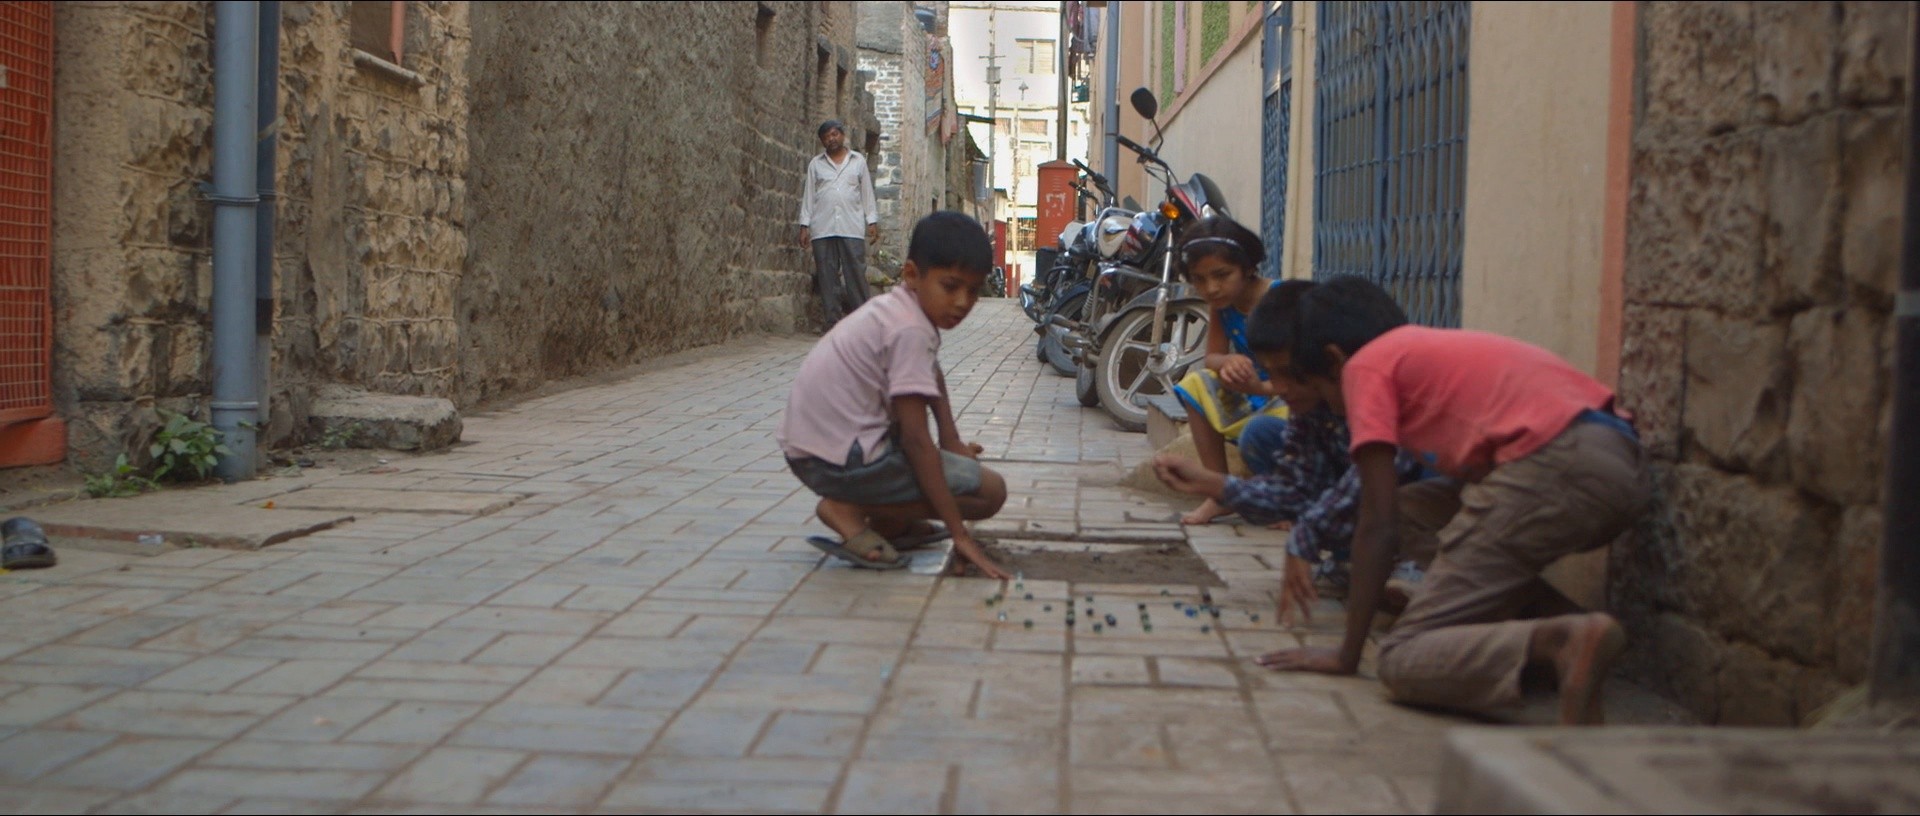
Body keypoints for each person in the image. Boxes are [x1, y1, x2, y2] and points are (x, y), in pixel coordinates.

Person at [1255, 276, 1649, 726]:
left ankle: (1561, 641)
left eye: (1320, 388)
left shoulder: (1365, 368)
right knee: (1415, 510)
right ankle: (1568, 628)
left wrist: (1347, 654)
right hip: (1619, 465)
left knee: (1402, 658)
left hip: (1553, 468)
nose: (1326, 402)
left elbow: (1375, 523)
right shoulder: (1420, 350)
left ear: (1333, 359)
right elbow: (1398, 515)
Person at [1153, 280, 1431, 624]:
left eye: (1287, 373)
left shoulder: (1388, 388)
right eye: (1270, 374)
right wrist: (1215, 485)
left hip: (1457, 483)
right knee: (1265, 436)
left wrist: (1304, 538)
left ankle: (1417, 564)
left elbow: (1364, 490)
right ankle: (1357, 559)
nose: (1278, 390)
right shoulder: (1314, 403)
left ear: (1326, 359)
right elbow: (1295, 489)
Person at [777, 211, 1012, 579]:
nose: (963, 302)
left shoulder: (899, 308)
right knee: (990, 492)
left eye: (974, 290)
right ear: (912, 274)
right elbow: (917, 442)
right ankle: (849, 510)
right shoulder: (909, 331)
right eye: (951, 287)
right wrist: (959, 534)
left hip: (815, 449)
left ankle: (890, 522)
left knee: (956, 470)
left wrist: (950, 438)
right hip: (835, 459)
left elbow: (929, 371)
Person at [1163, 216, 1291, 525]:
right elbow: (1212, 357)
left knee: (1259, 434)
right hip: (1254, 391)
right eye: (1199, 279)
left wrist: (1262, 387)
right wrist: (1227, 363)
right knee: (1196, 385)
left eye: (1222, 275)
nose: (1211, 288)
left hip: (1289, 397)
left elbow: (1305, 375)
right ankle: (1220, 492)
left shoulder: (1282, 299)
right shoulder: (1223, 306)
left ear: (1247, 267)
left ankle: (1287, 499)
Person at [797, 119, 880, 331]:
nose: (831, 139)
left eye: (834, 134)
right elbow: (809, 196)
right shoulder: (816, 164)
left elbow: (866, 193)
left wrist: (871, 220)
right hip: (823, 228)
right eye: (826, 137)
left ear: (842, 135)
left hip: (851, 226)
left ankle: (863, 322)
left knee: (856, 274)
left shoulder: (858, 161)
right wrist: (804, 225)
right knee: (827, 275)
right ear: (822, 141)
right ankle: (832, 323)